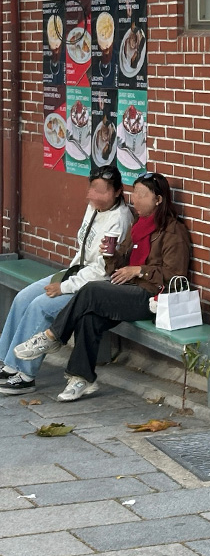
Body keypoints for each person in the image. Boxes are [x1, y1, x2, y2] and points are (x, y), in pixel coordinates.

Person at [14, 172, 191, 402]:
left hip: (150, 297)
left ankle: (53, 336)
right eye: (134, 193)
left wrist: (139, 270)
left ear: (158, 199)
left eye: (141, 195)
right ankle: (81, 378)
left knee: (92, 289)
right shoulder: (138, 225)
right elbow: (119, 263)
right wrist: (110, 254)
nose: (135, 200)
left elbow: (175, 274)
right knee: (89, 317)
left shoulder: (173, 231)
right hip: (127, 289)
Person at [0, 166, 132, 396]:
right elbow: (83, 250)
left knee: (40, 306)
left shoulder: (119, 220)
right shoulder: (94, 207)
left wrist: (63, 287)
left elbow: (102, 271)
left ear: (118, 191)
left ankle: (25, 375)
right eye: (92, 189)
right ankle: (7, 362)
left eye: (102, 192)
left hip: (94, 285)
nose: (93, 196)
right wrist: (66, 277)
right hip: (74, 273)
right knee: (23, 298)